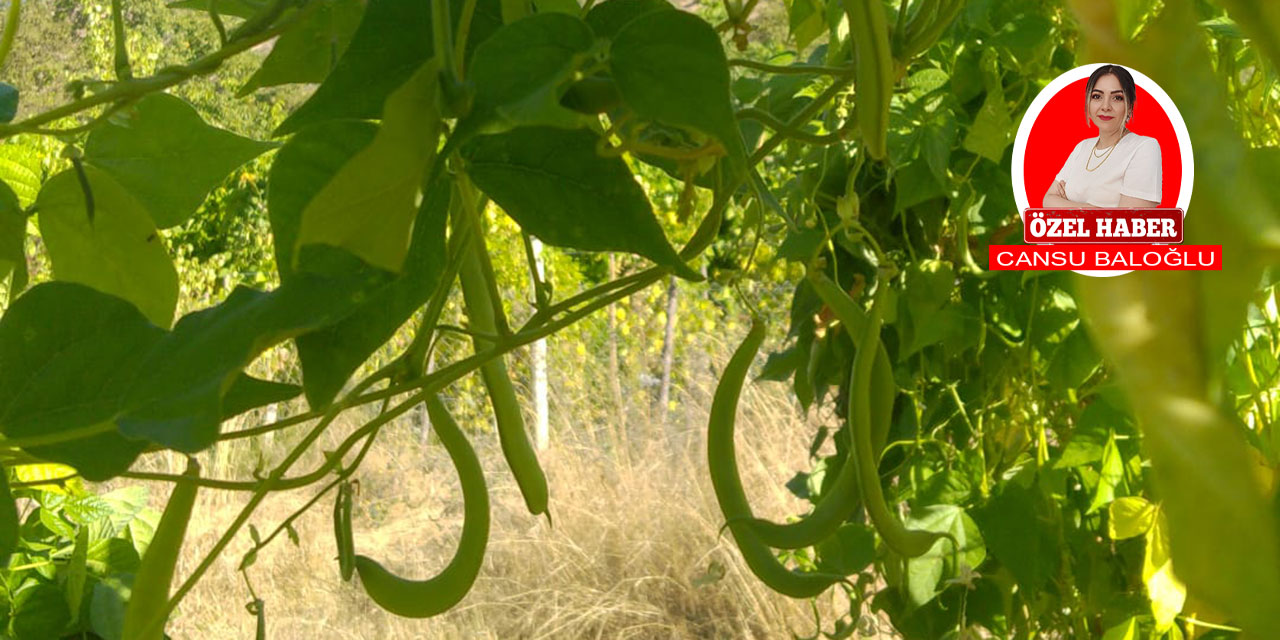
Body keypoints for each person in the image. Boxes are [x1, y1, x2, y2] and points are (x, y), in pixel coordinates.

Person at [1042, 64, 1162, 208]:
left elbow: (1129, 223)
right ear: (1088, 103)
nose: (1105, 106)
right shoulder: (1082, 147)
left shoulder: (1144, 147)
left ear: (1130, 106)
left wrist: (1066, 204)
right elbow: (1048, 200)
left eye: (1117, 98)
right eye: (1097, 96)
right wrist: (1096, 210)